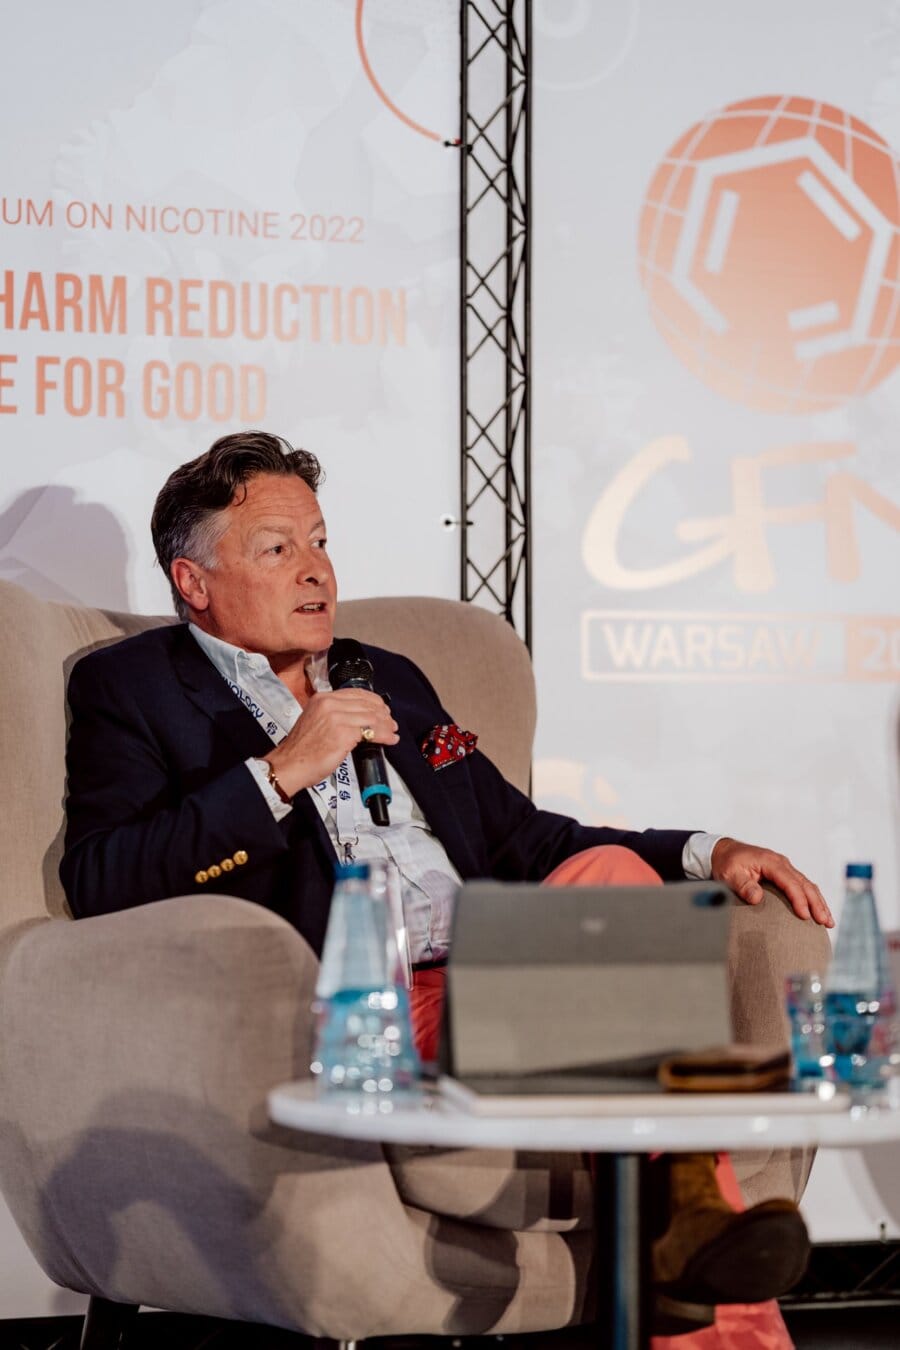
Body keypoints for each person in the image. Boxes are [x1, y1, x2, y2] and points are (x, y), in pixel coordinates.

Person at [60, 431, 832, 1324]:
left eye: (320, 540)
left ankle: (685, 1210)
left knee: (613, 873)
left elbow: (525, 836)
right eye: (278, 549)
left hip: (500, 978)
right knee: (659, 1056)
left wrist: (706, 850)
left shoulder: (387, 676)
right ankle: (687, 1206)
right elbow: (103, 878)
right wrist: (280, 773)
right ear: (193, 583)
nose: (316, 571)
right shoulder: (132, 687)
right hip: (357, 1005)